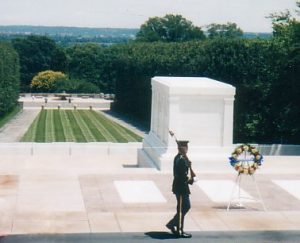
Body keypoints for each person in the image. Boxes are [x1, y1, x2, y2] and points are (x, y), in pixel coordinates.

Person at [166, 140, 193, 238]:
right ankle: (178, 229)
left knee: (182, 208)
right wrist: (191, 180)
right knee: (184, 207)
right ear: (181, 148)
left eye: (186, 147)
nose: (186, 149)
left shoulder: (180, 158)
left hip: (180, 186)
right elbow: (182, 175)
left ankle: (174, 225)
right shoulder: (181, 159)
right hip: (181, 187)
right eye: (185, 147)